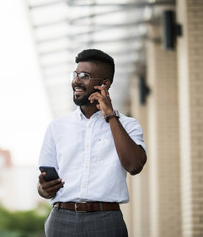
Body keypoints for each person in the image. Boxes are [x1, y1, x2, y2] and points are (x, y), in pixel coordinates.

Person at [37, 49, 147, 237]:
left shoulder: (128, 125)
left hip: (106, 221)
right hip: (61, 219)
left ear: (104, 84)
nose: (76, 81)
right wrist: (44, 189)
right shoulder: (57, 127)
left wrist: (110, 115)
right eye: (76, 74)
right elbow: (44, 184)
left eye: (85, 76)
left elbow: (135, 165)